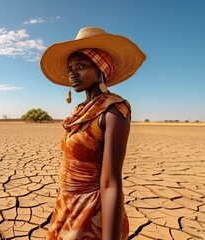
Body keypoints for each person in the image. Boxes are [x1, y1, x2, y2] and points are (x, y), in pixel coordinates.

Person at [40, 26, 146, 240]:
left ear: (101, 70)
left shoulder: (113, 110)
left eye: (81, 65)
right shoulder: (79, 111)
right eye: (70, 68)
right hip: (66, 206)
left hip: (91, 211)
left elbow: (111, 183)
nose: (73, 72)